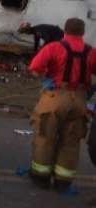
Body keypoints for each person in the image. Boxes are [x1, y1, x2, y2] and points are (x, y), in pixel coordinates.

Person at [27, 18, 96, 191]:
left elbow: (35, 67)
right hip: (80, 99)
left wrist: (46, 77)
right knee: (71, 141)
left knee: (45, 136)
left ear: (65, 31)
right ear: (83, 33)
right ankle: (63, 181)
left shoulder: (54, 47)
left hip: (55, 96)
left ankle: (41, 177)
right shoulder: (91, 51)